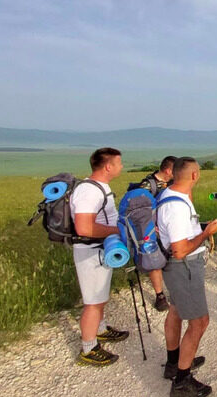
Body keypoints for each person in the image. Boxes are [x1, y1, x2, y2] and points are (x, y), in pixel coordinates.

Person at [158, 157, 217, 397]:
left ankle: (174, 363)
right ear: (194, 175)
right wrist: (206, 233)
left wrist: (199, 229)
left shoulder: (172, 195)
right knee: (199, 322)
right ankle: (182, 380)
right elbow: (180, 249)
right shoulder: (176, 207)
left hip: (177, 267)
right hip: (183, 266)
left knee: (175, 310)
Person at [70, 147, 129, 366]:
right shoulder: (89, 191)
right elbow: (84, 227)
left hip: (100, 249)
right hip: (91, 251)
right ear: (108, 166)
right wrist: (116, 231)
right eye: (119, 163)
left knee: (100, 296)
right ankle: (89, 348)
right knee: (93, 301)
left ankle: (101, 329)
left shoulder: (98, 187)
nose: (121, 167)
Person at [135, 155, 177, 312]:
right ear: (168, 170)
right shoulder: (146, 186)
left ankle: (174, 289)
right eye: (175, 170)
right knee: (154, 262)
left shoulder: (172, 183)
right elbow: (140, 211)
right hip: (153, 230)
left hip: (169, 227)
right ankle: (160, 295)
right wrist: (152, 226)